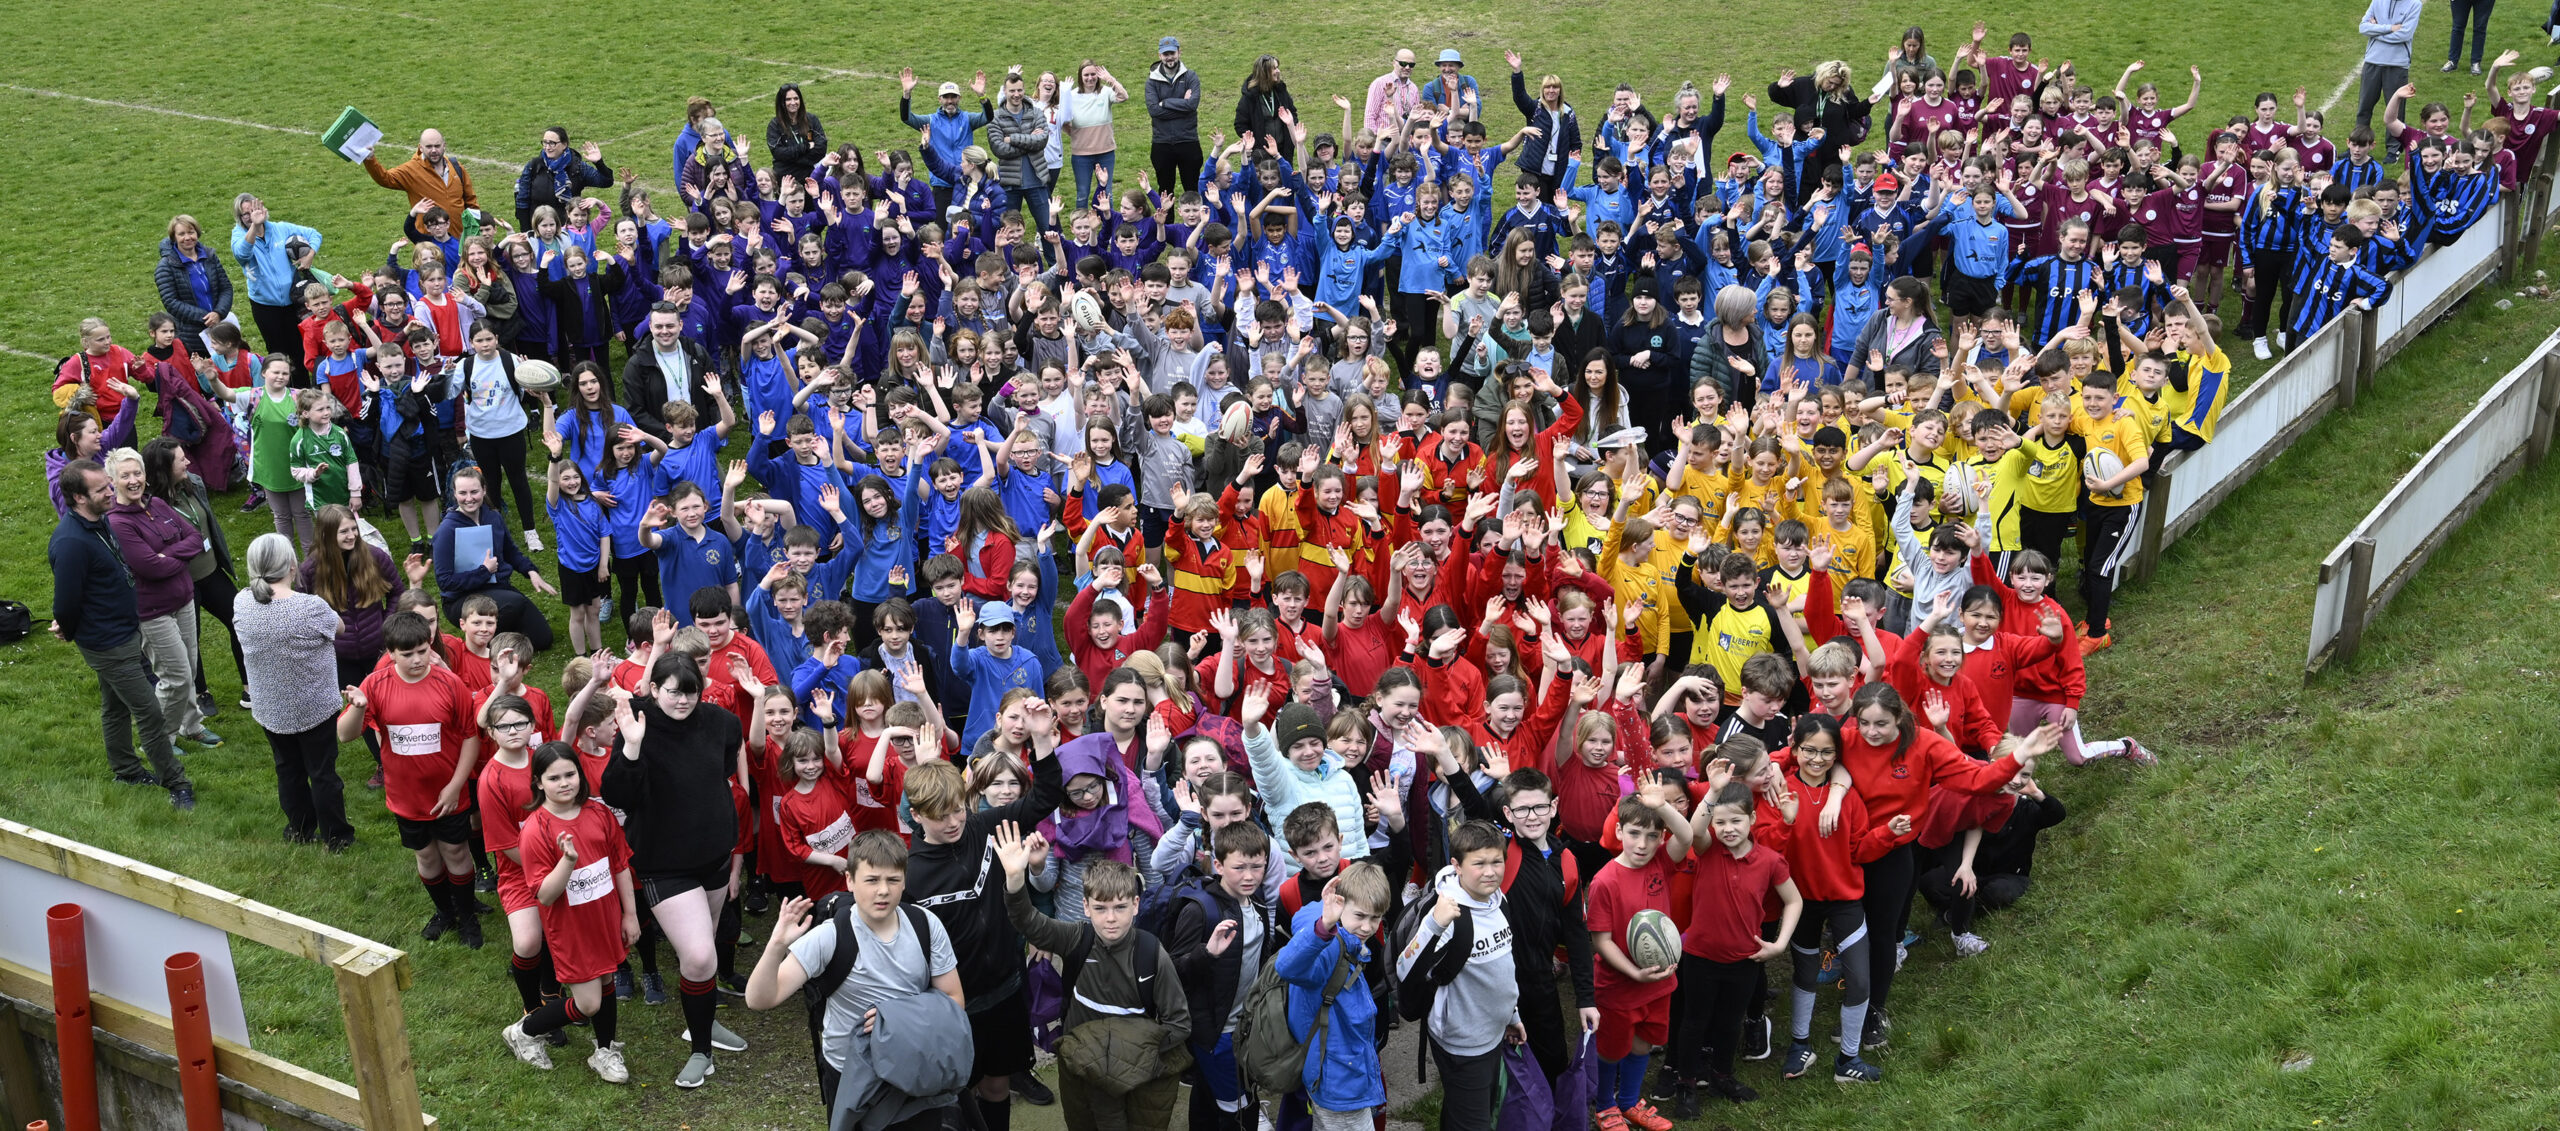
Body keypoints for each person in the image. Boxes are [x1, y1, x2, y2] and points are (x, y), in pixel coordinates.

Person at [599, 653, 750, 1089]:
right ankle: (701, 1052)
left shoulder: (722, 723)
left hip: (715, 855)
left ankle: (699, 1024)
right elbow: (617, 793)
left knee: (704, 954)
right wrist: (630, 745)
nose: (682, 700)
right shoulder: (637, 721)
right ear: (655, 688)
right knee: (700, 956)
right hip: (664, 863)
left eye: (690, 691)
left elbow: (719, 772)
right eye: (672, 691)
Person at [994, 820, 1193, 1130]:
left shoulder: (1152, 954)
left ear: (1136, 905)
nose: (1110, 918)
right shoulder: (1077, 938)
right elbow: (1029, 922)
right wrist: (1015, 879)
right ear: (1085, 906)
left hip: (1133, 1080)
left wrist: (1130, 1057)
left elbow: (1179, 1024)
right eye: (1100, 908)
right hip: (1079, 1071)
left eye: (1120, 907)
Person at [50, 460, 195, 808]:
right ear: (78, 498)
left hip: (126, 630)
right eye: (101, 489)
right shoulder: (70, 543)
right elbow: (66, 602)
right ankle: (175, 782)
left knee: (114, 706)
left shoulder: (100, 522)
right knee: (149, 711)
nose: (110, 492)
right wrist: (68, 628)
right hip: (107, 643)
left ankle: (126, 770)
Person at [339, 611, 483, 945]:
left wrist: (455, 786)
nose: (417, 659)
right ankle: (445, 913)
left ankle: (467, 918)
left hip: (449, 793)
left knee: (456, 853)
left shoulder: (451, 685)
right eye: (408, 654)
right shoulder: (374, 685)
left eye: (422, 650)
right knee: (427, 856)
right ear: (390, 653)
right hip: (405, 796)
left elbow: (470, 737)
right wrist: (358, 707)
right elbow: (345, 735)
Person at [500, 742, 637, 1084]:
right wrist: (568, 861)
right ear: (539, 783)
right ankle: (525, 1031)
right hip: (571, 929)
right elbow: (544, 895)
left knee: (606, 978)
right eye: (554, 777)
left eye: (570, 774)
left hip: (604, 918)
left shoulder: (599, 813)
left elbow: (619, 865)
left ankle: (604, 1050)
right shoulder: (535, 830)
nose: (564, 783)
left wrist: (630, 914)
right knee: (588, 1004)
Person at [1396, 819, 1527, 1131]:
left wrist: (1511, 1015)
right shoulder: (1448, 913)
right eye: (1479, 863)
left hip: (1492, 1033)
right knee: (1474, 1122)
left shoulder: (1499, 901)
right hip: (1462, 1040)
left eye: (1497, 861)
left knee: (1463, 1113)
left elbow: (1502, 969)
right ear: (1456, 865)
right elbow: (1405, 969)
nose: (1491, 871)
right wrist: (1434, 925)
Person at [234, 532, 353, 850]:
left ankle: (299, 829)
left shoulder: (242, 602)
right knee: (323, 773)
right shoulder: (310, 607)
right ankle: (337, 837)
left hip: (270, 707)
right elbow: (339, 628)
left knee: (288, 770)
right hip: (313, 707)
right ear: (291, 565)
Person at [102, 446, 219, 750]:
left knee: (189, 668)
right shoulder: (117, 522)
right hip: (152, 611)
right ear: (112, 480)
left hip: (183, 599)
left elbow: (195, 538)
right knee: (175, 676)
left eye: (137, 472)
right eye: (124, 475)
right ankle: (159, 740)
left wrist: (168, 554)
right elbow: (149, 567)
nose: (133, 480)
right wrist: (174, 556)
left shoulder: (158, 505)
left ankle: (191, 726)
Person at [1277, 860, 1392, 1131]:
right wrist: (1324, 924)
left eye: (1375, 918)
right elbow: (1287, 966)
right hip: (1337, 1081)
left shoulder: (1347, 941)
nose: (1367, 927)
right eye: (1360, 916)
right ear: (1339, 905)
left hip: (1343, 1071)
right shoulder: (1329, 946)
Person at [141, 437, 246, 721]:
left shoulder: (193, 484)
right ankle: (200, 693)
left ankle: (250, 686)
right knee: (190, 641)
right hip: (181, 583)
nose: (187, 461)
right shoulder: (150, 506)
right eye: (180, 459)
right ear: (163, 468)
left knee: (241, 620)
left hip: (211, 572)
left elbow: (206, 525)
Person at [431, 466, 560, 649]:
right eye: (463, 493)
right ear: (454, 494)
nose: (469, 498)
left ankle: (498, 636)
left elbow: (510, 551)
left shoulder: (493, 517)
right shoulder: (446, 531)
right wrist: (484, 572)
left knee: (542, 639)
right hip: (462, 599)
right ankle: (484, 640)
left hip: (497, 588)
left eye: (474, 492)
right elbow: (445, 582)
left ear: (484, 490)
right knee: (517, 603)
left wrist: (531, 571)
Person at [228, 194, 323, 378]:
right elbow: (242, 255)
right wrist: (255, 226)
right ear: (239, 218)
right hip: (265, 306)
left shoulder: (280, 229)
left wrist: (310, 254)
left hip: (292, 302)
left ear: (263, 210)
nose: (250, 215)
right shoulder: (238, 236)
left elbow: (314, 233)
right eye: (245, 214)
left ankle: (303, 392)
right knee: (277, 353)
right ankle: (282, 393)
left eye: (254, 210)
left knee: (299, 350)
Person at [622, 303, 721, 441]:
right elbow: (635, 411)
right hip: (662, 447)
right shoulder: (637, 364)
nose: (664, 331)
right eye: (658, 326)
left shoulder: (697, 353)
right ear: (650, 326)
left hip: (700, 439)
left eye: (670, 326)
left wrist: (714, 432)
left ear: (680, 325)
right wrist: (669, 436)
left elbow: (713, 398)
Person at [364, 128, 480, 223]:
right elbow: (385, 179)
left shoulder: (456, 167)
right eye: (429, 147)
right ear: (420, 147)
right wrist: (370, 160)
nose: (434, 150)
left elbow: (471, 201)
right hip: (430, 245)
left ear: (444, 145)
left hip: (459, 242)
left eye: (437, 146)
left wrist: (475, 230)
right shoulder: (411, 170)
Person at [1061, 60, 1131, 212]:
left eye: (1093, 74)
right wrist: (1073, 134)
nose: (1090, 78)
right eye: (1086, 75)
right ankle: (1082, 228)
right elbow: (1062, 119)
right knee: (1082, 193)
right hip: (1081, 155)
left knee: (1107, 192)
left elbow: (1123, 96)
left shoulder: (1105, 92)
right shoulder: (1072, 96)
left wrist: (1110, 79)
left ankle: (1109, 226)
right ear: (1080, 76)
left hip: (1105, 152)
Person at [514, 128, 614, 232]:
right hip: (540, 230)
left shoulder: (578, 167)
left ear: (564, 144)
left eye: (552, 143)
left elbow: (606, 181)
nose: (547, 147)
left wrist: (599, 163)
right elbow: (522, 201)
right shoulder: (533, 166)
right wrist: (526, 232)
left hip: (569, 231)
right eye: (545, 142)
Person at [156, 214, 235, 345]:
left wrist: (218, 313)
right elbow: (170, 302)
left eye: (191, 232)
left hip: (220, 326)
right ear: (174, 238)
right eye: (181, 234)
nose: (187, 237)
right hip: (190, 336)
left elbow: (225, 287)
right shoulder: (166, 266)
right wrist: (205, 318)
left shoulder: (210, 257)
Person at [2358, 0, 2424, 156]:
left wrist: (2376, 32)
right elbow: (2363, 27)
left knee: (2395, 109)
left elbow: (2404, 34)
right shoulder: (2377, 1)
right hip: (2372, 61)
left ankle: (2394, 148)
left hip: (2397, 64)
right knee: (2364, 107)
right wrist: (2389, 28)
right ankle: (2358, 142)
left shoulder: (2414, 4)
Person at [1145, 38, 1204, 193]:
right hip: (1162, 143)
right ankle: (1168, 219)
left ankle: (1196, 218)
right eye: (1165, 54)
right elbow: (1153, 111)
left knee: (1192, 190)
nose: (1169, 57)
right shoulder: (1151, 81)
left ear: (1179, 52)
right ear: (1159, 55)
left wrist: (1164, 103)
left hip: (1188, 141)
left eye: (1172, 53)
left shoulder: (1191, 76)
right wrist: (1181, 105)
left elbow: (1192, 105)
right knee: (1165, 192)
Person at [1236, 55, 1300, 162]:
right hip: (1262, 155)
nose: (1278, 71)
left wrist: (1291, 135)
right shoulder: (1250, 96)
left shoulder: (1281, 91)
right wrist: (1257, 145)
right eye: (1274, 68)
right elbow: (1240, 124)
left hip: (1283, 152)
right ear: (1264, 72)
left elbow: (1292, 113)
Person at [765, 84, 830, 182]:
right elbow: (779, 153)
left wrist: (793, 160)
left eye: (796, 98)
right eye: (788, 99)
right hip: (787, 180)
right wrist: (806, 147)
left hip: (810, 178)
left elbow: (821, 149)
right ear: (782, 102)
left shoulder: (811, 120)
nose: (793, 102)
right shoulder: (774, 125)